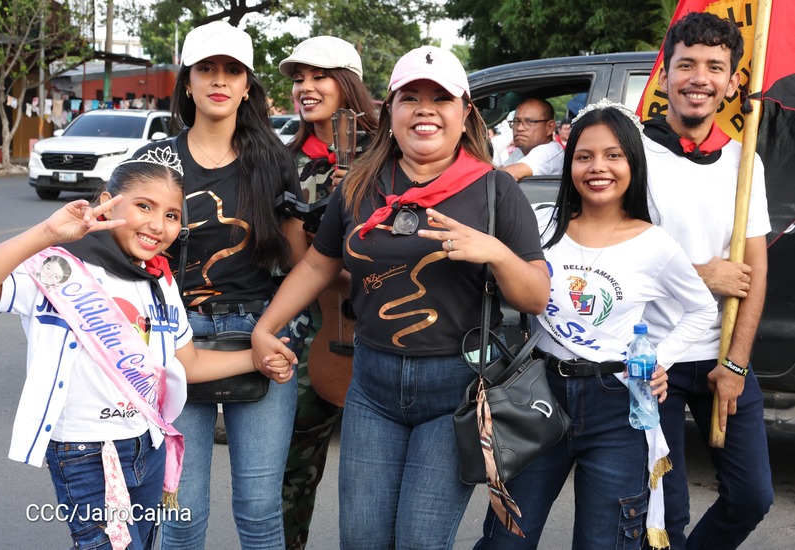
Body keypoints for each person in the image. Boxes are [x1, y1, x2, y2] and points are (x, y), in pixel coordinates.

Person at [252, 45, 550, 549]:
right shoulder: (361, 185)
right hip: (371, 385)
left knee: (420, 541)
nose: (425, 110)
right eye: (410, 98)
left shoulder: (496, 190)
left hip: (454, 388)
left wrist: (495, 253)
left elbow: (536, 296)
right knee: (362, 539)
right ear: (390, 110)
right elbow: (320, 264)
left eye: (441, 98)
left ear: (465, 112)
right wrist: (266, 327)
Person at [0, 155, 294, 549]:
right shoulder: (60, 269)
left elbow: (187, 363)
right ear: (108, 203)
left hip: (147, 444)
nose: (158, 225)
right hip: (86, 451)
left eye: (172, 215)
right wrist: (46, 233)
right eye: (144, 206)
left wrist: (255, 360)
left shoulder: (161, 282)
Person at [475, 99, 718, 549]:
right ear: (570, 164)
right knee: (505, 540)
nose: (597, 168)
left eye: (613, 155)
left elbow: (702, 309)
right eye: (584, 156)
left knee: (603, 541)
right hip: (538, 395)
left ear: (633, 163)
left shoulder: (655, 243)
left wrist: (659, 361)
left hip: (616, 405)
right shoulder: (542, 224)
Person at [132, 21, 307, 549]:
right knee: (181, 514)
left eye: (232, 70)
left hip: (260, 331)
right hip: (172, 338)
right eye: (206, 69)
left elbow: (301, 262)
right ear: (187, 83)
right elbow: (124, 253)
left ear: (247, 85)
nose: (219, 80)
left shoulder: (274, 162)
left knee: (260, 510)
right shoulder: (153, 161)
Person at [642, 12, 773, 549]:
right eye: (687, 64)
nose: (700, 78)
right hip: (652, 360)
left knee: (751, 498)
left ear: (732, 82)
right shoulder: (631, 155)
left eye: (715, 67)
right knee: (663, 516)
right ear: (666, 75)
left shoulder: (744, 163)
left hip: (721, 355)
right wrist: (701, 275)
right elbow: (611, 261)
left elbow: (754, 270)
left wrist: (736, 363)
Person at [276, 35, 379, 549]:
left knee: (375, 482)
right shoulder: (282, 161)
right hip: (304, 333)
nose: (306, 88)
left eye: (319, 76)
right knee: (289, 476)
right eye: (299, 79)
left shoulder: (391, 155)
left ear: (348, 84)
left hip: (382, 334)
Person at [501, 98, 564, 181]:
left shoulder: (549, 152)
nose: (519, 128)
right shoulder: (521, 151)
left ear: (550, 127)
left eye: (529, 122)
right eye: (516, 121)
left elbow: (506, 175)